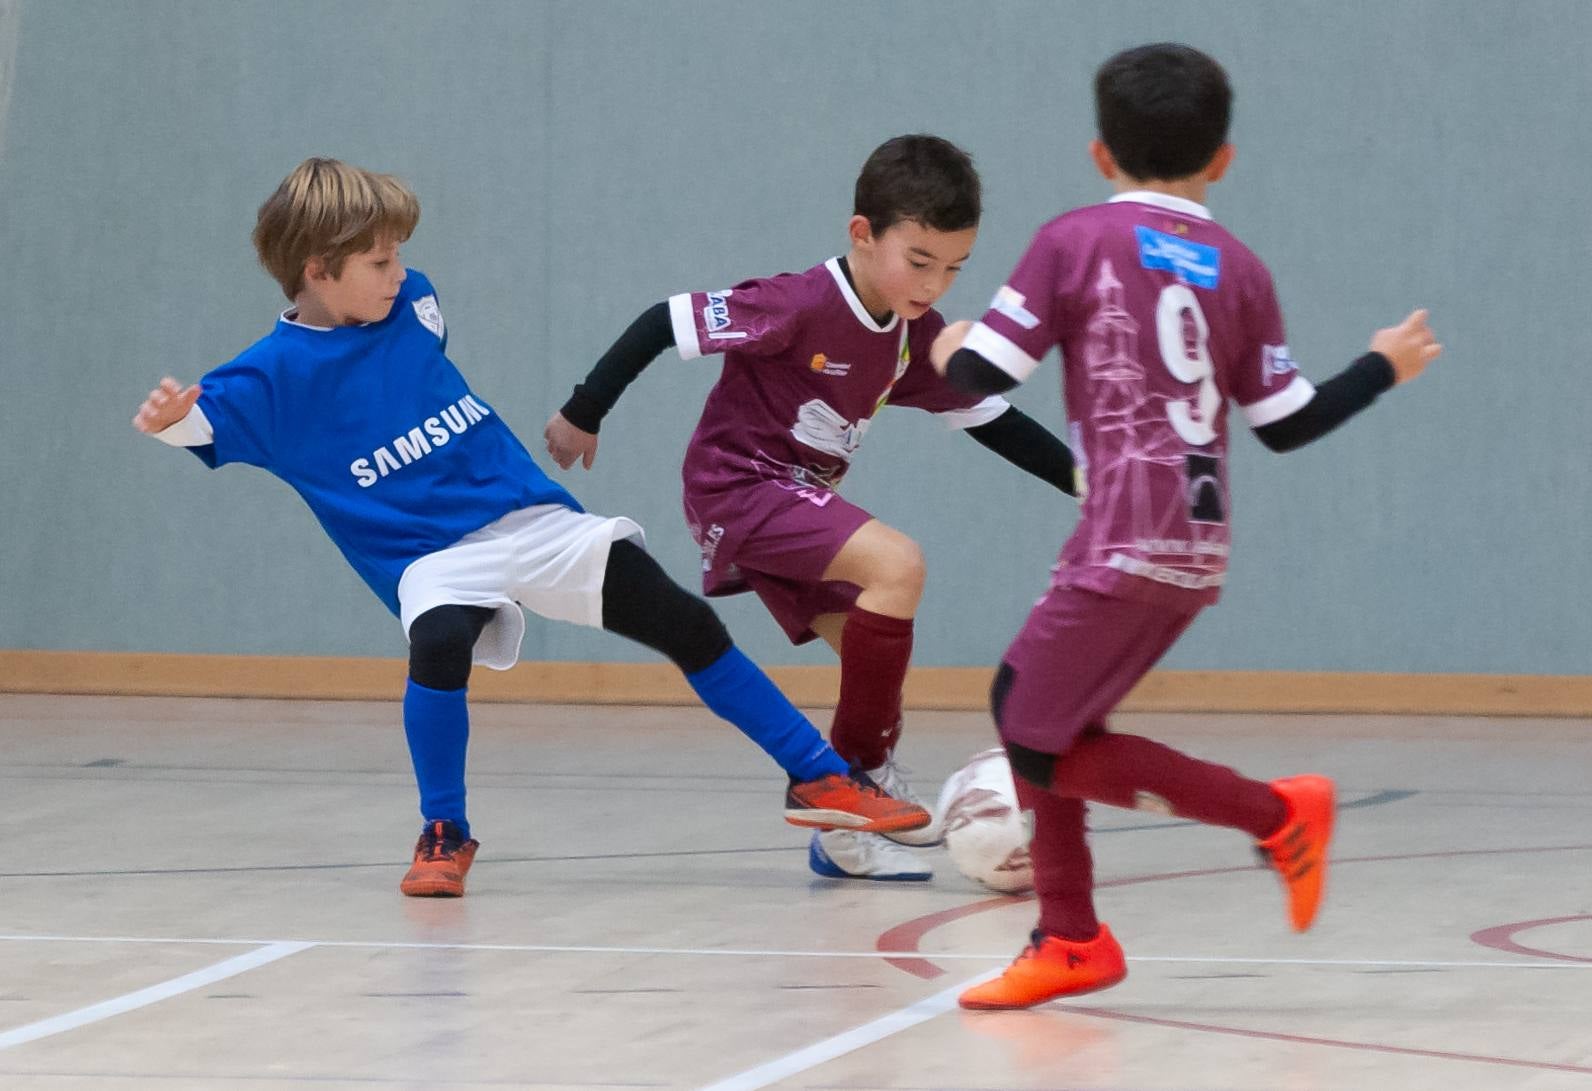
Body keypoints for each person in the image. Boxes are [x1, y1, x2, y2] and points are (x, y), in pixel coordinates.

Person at [131, 157, 929, 899]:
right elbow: (202, 428)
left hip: (524, 514)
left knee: (680, 616)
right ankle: (444, 830)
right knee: (439, 641)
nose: (400, 273)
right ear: (316, 268)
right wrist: (169, 422)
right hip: (427, 555)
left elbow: (410, 333)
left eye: (399, 256)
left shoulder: (414, 304)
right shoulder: (267, 378)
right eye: (378, 262)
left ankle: (817, 774)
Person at [930, 43, 1442, 1007]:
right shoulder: (1239, 266)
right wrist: (1380, 365)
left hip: (1120, 535)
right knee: (1046, 721)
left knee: (1027, 723)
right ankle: (1073, 933)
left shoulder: (1071, 240)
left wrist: (952, 339)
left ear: (1097, 153)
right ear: (1223, 160)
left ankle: (1267, 817)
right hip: (1197, 547)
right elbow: (1287, 425)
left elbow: (982, 376)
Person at [543, 135, 1077, 881]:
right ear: (862, 233)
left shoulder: (914, 334)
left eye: (954, 267)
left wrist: (1088, 483)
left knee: (869, 647)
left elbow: (993, 419)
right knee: (899, 564)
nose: (933, 283)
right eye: (918, 261)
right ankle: (854, 788)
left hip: (797, 495)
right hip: (737, 484)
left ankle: (844, 821)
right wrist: (584, 410)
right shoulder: (798, 303)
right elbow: (665, 320)